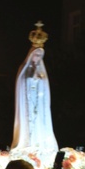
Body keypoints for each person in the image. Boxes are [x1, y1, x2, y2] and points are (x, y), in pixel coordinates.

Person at [10, 23, 59, 152]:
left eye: (39, 56)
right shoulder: (24, 69)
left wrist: (40, 80)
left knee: (38, 125)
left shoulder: (42, 72)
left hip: (38, 105)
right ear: (31, 55)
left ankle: (39, 144)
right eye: (35, 55)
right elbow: (22, 83)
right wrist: (32, 79)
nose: (36, 58)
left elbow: (45, 89)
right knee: (28, 126)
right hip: (28, 105)